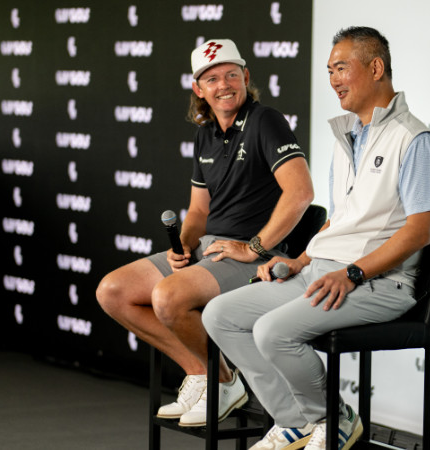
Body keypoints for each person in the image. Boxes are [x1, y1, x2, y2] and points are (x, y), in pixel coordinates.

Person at [202, 26, 430, 450]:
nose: (333, 79)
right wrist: (301, 260)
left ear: (376, 68)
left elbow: (420, 231)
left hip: (379, 282)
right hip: (322, 270)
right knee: (219, 315)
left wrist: (351, 273)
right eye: (329, 69)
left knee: (272, 331)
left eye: (340, 68)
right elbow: (340, 218)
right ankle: (297, 420)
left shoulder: (414, 139)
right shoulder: (345, 135)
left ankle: (331, 419)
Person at [95, 39, 314, 427]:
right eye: (212, 78)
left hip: (253, 257)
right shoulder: (205, 133)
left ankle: (225, 381)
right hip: (210, 251)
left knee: (167, 298)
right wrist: (185, 243)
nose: (224, 84)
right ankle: (202, 372)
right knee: (113, 292)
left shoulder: (266, 120)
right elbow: (199, 210)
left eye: (232, 74)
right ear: (199, 89)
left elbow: (301, 192)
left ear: (246, 77)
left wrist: (254, 247)